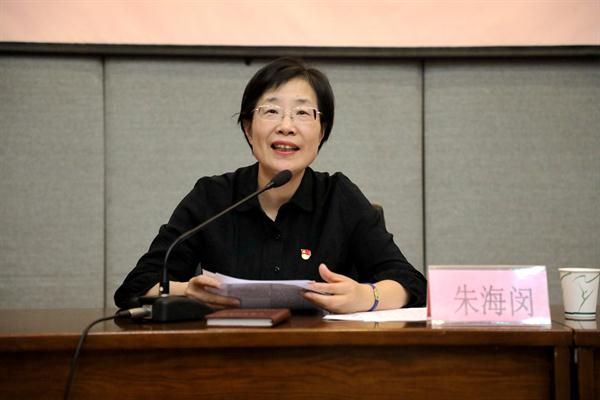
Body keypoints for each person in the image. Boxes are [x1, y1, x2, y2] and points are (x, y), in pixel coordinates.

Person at [114, 58, 426, 314]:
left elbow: (410, 283)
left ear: (321, 132)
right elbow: (137, 285)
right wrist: (187, 291)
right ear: (248, 129)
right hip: (228, 357)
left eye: (302, 113)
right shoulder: (212, 197)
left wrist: (364, 296)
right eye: (271, 111)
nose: (286, 126)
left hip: (323, 360)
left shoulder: (339, 197)